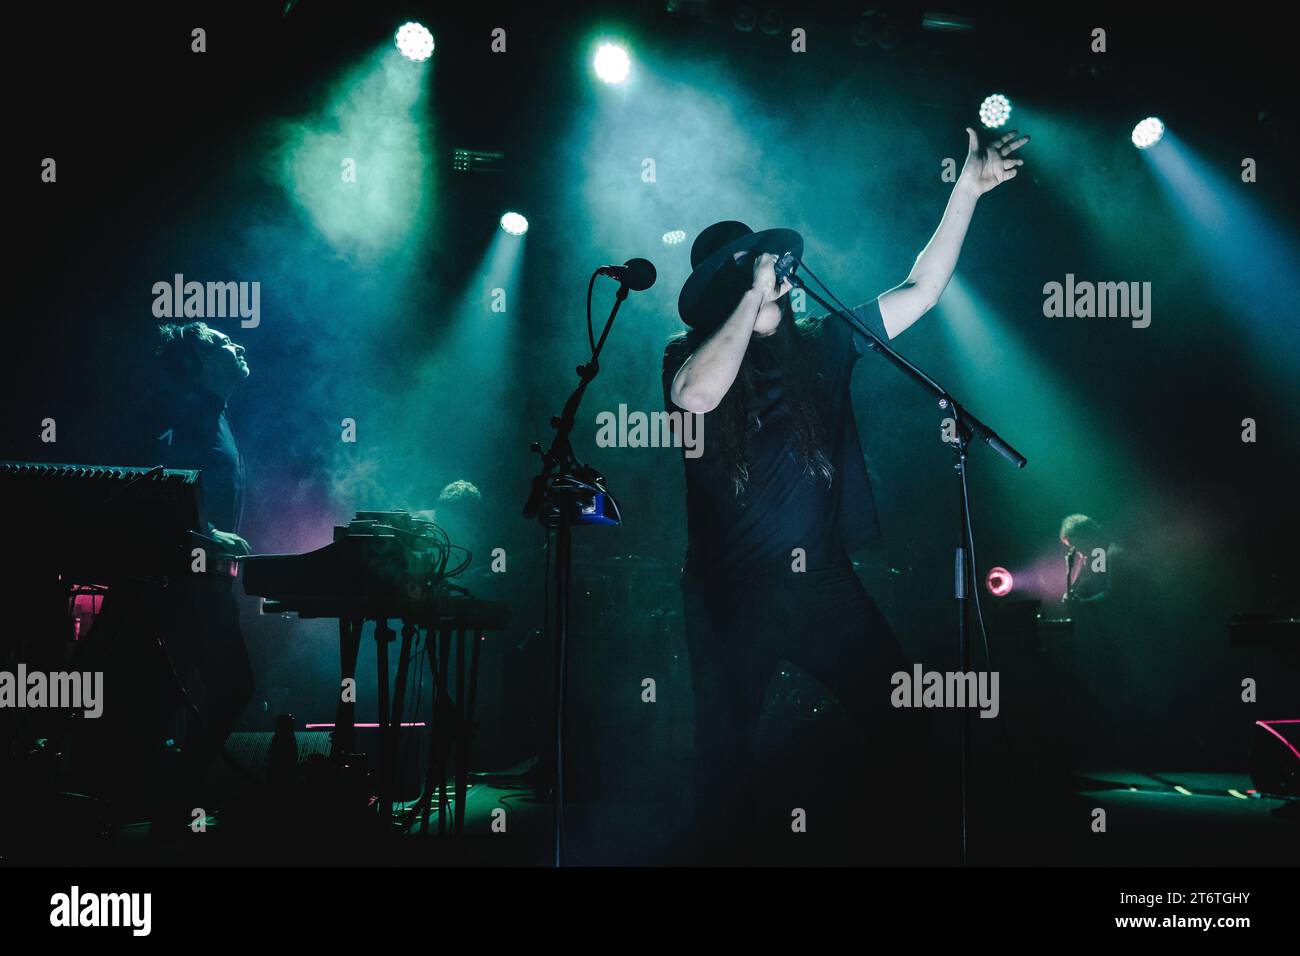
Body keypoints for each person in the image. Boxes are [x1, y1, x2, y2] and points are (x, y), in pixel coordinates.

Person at [662, 129, 1028, 862]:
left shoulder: (826, 340)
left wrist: (966, 191)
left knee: (905, 719)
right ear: (734, 284)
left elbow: (921, 289)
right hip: (727, 593)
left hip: (821, 584)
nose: (788, 277)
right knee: (724, 766)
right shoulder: (686, 356)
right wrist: (754, 295)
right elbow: (698, 397)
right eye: (767, 270)